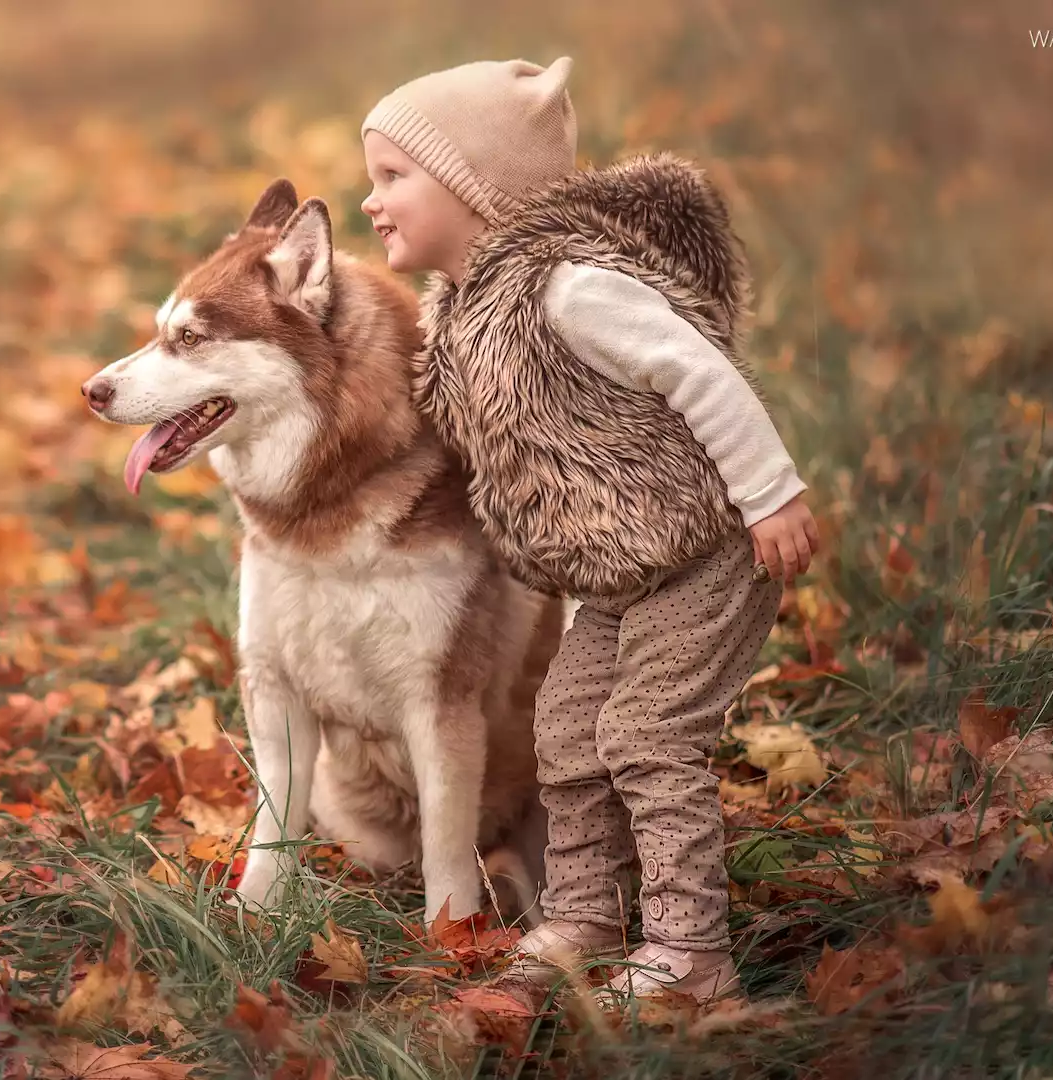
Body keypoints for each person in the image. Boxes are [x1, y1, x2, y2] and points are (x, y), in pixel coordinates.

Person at [356, 55, 820, 1006]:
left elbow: (699, 372)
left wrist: (771, 496)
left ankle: (690, 953)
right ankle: (584, 917)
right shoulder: (460, 316)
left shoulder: (570, 290)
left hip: (705, 547)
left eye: (393, 177)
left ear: (472, 183)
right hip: (616, 574)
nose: (373, 201)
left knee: (648, 734)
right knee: (567, 729)